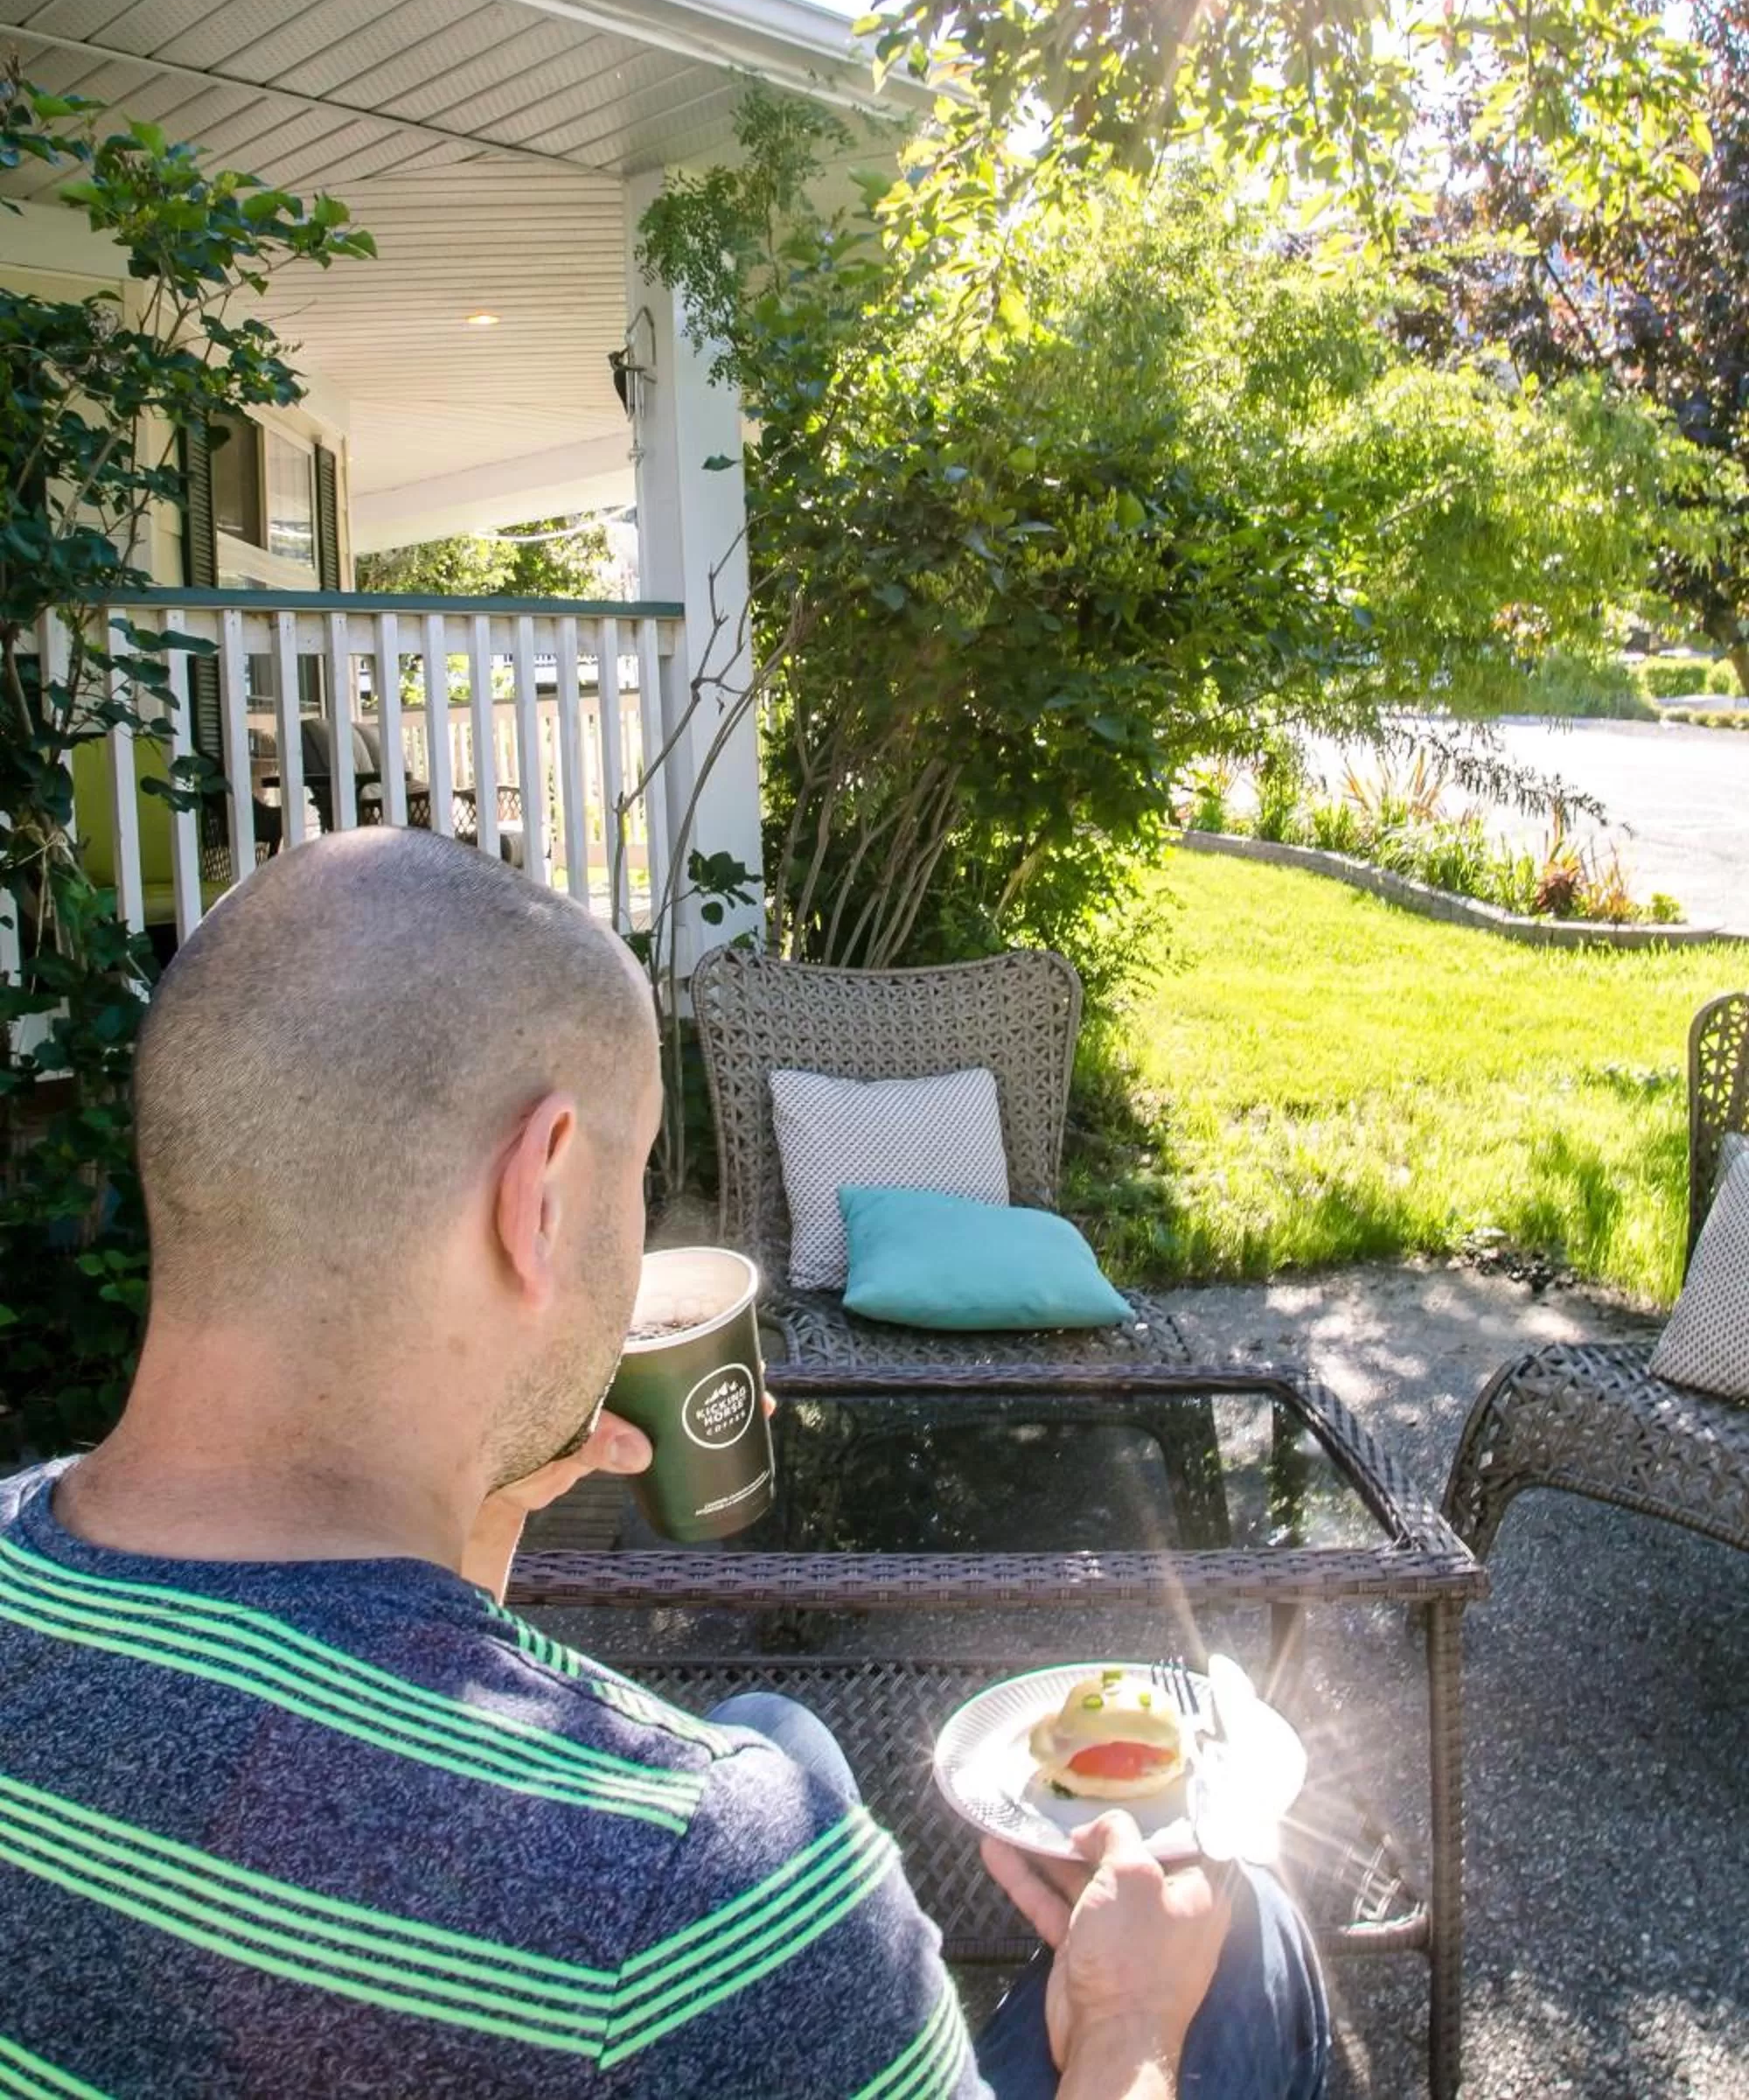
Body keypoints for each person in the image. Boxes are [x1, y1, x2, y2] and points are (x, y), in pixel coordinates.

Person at [0, 829, 1328, 2098]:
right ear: (541, 1196)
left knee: (781, 1732)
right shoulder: (705, 1886)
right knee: (1241, 1926)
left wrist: (472, 1521)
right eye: (635, 1181)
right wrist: (1129, 2026)